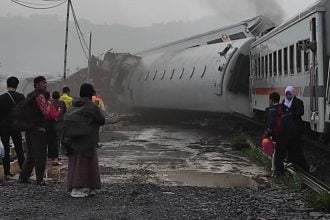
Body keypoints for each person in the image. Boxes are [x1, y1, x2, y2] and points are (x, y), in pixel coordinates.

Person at [66, 83, 105, 198]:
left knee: (75, 163)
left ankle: (79, 187)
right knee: (86, 164)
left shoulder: (73, 104)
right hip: (87, 139)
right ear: (91, 93)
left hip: (73, 139)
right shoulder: (91, 106)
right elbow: (101, 120)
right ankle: (79, 188)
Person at [19, 76, 50, 185]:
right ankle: (40, 179)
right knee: (40, 154)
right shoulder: (40, 96)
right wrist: (50, 105)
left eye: (46, 83)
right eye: (43, 83)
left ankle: (23, 177)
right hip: (39, 129)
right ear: (36, 84)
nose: (45, 85)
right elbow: (46, 112)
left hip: (29, 129)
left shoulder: (29, 95)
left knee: (31, 154)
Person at [0, 76, 25, 178]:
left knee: (5, 149)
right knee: (19, 148)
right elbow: (24, 113)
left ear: (7, 84)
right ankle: (24, 170)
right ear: (17, 85)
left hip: (4, 127)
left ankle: (7, 172)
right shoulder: (21, 97)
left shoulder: (1, 98)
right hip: (16, 126)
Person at [281, 85, 309, 171]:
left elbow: (301, 112)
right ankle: (292, 161)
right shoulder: (283, 102)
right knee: (290, 145)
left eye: (289, 94)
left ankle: (303, 166)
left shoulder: (298, 102)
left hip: (296, 128)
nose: (288, 96)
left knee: (296, 146)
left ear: (292, 93)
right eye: (287, 94)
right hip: (287, 128)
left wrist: (291, 114)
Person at [265, 92, 285, 177]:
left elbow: (271, 124)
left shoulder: (271, 110)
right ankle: (280, 170)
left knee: (274, 153)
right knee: (280, 153)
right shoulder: (283, 107)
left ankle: (274, 171)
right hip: (284, 134)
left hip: (275, 134)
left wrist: (267, 134)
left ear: (271, 100)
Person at [51, 91, 66, 162]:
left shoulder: (50, 103)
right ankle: (57, 155)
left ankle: (52, 155)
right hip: (60, 124)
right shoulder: (62, 103)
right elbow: (65, 111)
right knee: (58, 140)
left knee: (51, 140)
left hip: (51, 124)